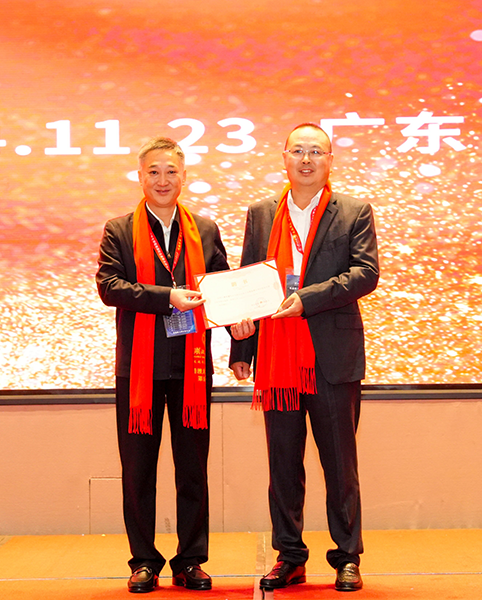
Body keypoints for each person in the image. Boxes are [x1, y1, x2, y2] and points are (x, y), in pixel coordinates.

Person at [229, 123, 379, 592]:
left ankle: (347, 556)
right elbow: (249, 280)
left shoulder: (353, 211)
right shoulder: (261, 213)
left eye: (316, 151)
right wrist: (241, 347)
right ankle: (290, 556)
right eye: (298, 151)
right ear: (285, 158)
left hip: (331, 358)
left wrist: (306, 299)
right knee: (283, 467)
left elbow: (365, 273)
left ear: (330, 160)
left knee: (339, 466)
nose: (307, 159)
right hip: (277, 357)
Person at [97, 137, 229, 593]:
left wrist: (240, 328)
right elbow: (110, 287)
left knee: (193, 469)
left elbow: (222, 290)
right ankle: (143, 561)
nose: (162, 180)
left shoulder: (205, 230)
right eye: (153, 171)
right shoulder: (119, 230)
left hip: (192, 369)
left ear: (184, 176)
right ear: (140, 176)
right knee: (138, 471)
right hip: (139, 370)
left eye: (171, 171)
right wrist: (167, 297)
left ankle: (191, 560)